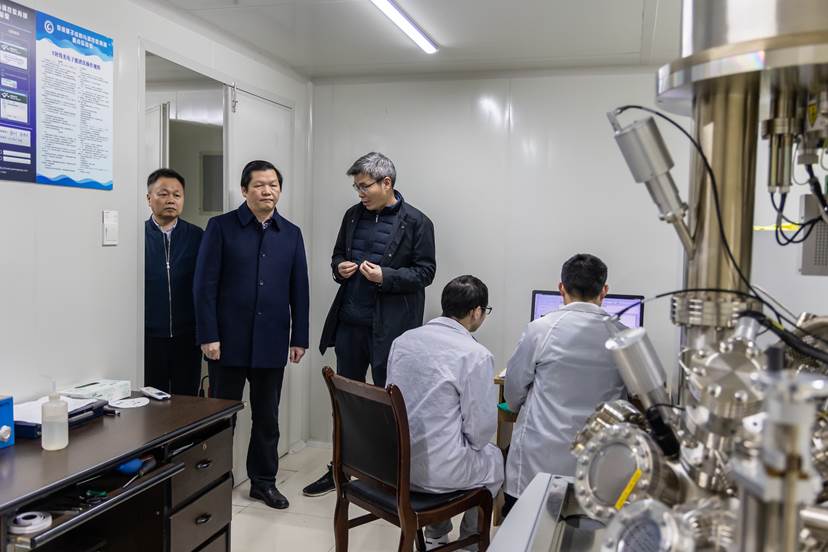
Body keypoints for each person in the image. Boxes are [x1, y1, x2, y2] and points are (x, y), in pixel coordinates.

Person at [303, 151, 436, 497]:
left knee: (388, 405)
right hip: (350, 325)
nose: (360, 193)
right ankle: (340, 469)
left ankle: (388, 475)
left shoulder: (417, 222)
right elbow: (337, 255)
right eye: (357, 187)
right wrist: (339, 268)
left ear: (386, 183)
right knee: (345, 402)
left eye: (364, 186)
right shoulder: (352, 216)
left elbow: (426, 272)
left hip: (391, 331)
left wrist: (386, 276)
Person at [193, 160, 309, 510]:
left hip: (271, 341)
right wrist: (208, 335)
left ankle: (263, 482)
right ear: (245, 190)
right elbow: (204, 285)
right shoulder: (221, 227)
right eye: (259, 185)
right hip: (226, 343)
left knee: (267, 418)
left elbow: (299, 289)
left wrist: (299, 338)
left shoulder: (291, 233)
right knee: (221, 417)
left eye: (273, 185)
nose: (267, 191)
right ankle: (214, 479)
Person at [386, 275, 503, 550]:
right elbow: (480, 432)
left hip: (395, 464)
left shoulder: (403, 341)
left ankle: (435, 535)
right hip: (439, 472)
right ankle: (470, 541)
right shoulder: (475, 354)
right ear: (476, 312)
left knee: (448, 443)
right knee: (494, 459)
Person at [503, 254, 625, 515]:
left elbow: (512, 394)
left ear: (561, 288)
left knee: (526, 528)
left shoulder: (540, 329)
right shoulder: (622, 336)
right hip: (596, 466)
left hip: (538, 465)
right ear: (604, 291)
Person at [144, 168, 204, 396]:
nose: (171, 200)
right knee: (151, 401)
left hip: (187, 336)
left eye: (177, 195)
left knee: (186, 400)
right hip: (149, 338)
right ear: (149, 198)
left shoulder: (198, 236)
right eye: (163, 194)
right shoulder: (137, 236)